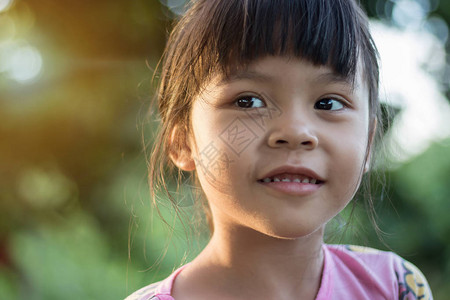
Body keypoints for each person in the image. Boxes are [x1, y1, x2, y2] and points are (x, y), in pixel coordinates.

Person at [127, 0, 433, 299]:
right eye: (248, 101)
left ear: (368, 143)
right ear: (183, 142)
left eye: (328, 103)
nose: (295, 132)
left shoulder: (395, 287)